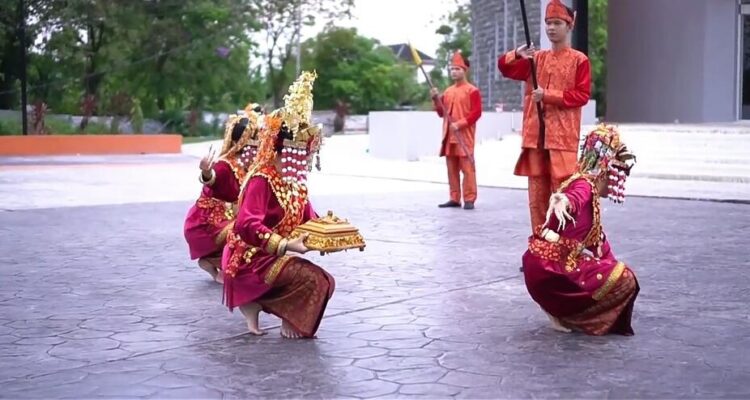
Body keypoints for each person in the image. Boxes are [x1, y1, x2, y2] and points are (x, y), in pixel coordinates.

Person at [222, 71, 335, 339]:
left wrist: (331, 232)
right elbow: (246, 225)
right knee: (316, 280)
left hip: (271, 257)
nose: (304, 160)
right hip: (250, 260)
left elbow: (308, 218)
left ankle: (262, 304)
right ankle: (285, 311)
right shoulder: (262, 180)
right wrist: (285, 245)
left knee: (326, 281)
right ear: (284, 150)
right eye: (300, 153)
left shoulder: (293, 182)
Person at [521, 124, 639, 336]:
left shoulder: (590, 196)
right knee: (626, 278)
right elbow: (575, 197)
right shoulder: (584, 184)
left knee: (617, 271)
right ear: (605, 169)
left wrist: (609, 268)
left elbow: (602, 248)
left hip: (542, 268)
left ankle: (564, 314)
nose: (618, 182)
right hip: (551, 271)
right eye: (618, 173)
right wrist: (564, 200)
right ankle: (574, 317)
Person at [498, 0, 591, 231]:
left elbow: (581, 95)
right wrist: (516, 54)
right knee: (537, 198)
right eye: (548, 23)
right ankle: (540, 249)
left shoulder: (580, 60)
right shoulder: (536, 58)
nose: (551, 28)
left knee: (563, 196)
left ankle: (563, 249)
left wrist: (548, 95)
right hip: (535, 137)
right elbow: (506, 68)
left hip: (562, 139)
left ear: (569, 25)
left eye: (557, 23)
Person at [183, 105, 262, 283]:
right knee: (245, 232)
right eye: (256, 142)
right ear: (245, 144)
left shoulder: (249, 166)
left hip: (228, 220)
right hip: (206, 225)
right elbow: (213, 179)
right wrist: (206, 172)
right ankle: (216, 263)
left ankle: (226, 264)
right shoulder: (225, 165)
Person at [431, 51, 483, 210]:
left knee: (467, 168)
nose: (454, 72)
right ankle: (454, 197)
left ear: (465, 70)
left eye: (457, 69)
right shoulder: (447, 91)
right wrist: (435, 99)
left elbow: (476, 113)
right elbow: (442, 113)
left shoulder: (472, 90)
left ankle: (469, 198)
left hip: (463, 135)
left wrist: (459, 124)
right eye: (452, 69)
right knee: (451, 168)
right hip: (449, 135)